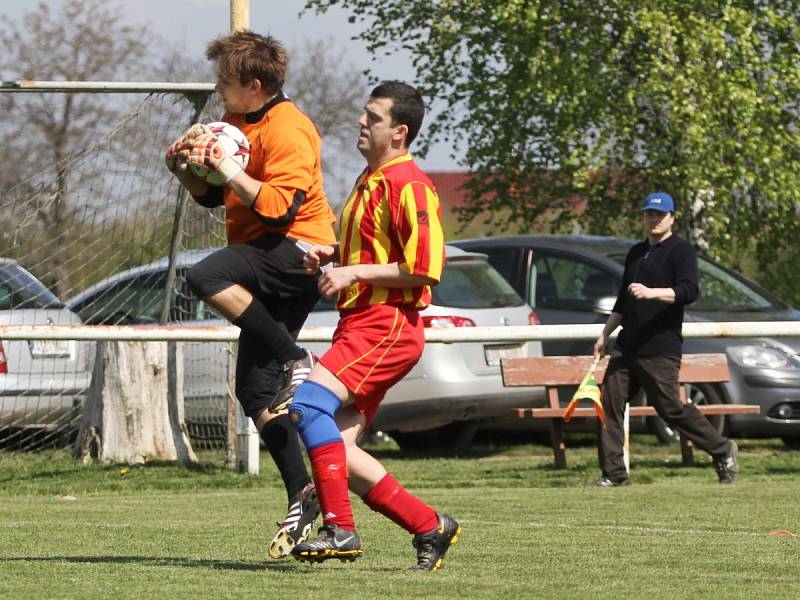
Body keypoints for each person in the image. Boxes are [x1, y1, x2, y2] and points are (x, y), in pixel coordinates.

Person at [268, 81, 461, 571]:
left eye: (372, 117)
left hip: (387, 325)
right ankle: (429, 526)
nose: (361, 121)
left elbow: (425, 267)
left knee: (308, 406)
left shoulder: (409, 183)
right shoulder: (368, 179)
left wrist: (353, 272)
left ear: (399, 132)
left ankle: (340, 528)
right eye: (364, 113)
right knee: (340, 452)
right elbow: (373, 252)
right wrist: (333, 258)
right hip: (360, 324)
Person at [164, 31, 337, 558]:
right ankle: (303, 495)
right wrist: (189, 172)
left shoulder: (290, 128)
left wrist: (228, 167)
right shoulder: (237, 122)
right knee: (256, 395)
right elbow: (215, 199)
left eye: (225, 81)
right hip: (267, 249)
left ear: (254, 85)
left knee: (204, 277)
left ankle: (297, 359)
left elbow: (281, 209)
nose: (218, 89)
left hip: (298, 249)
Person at [592, 192, 739, 486]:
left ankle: (723, 449)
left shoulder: (681, 251)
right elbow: (623, 300)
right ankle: (614, 474)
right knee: (608, 403)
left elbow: (689, 291)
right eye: (649, 214)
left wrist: (653, 293)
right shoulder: (636, 252)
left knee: (670, 408)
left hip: (659, 346)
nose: (654, 219)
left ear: (672, 217)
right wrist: (605, 333)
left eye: (660, 214)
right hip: (627, 344)